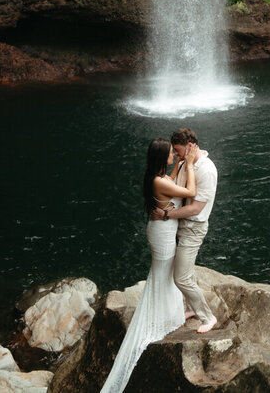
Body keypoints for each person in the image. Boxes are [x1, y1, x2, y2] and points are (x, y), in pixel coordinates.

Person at [100, 138, 197, 393]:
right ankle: (164, 320)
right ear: (161, 156)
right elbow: (189, 193)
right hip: (163, 235)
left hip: (161, 230)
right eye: (170, 153)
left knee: (166, 275)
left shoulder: (156, 176)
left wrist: (180, 164)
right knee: (163, 275)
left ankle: (174, 315)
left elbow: (172, 180)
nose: (172, 155)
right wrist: (191, 164)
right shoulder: (158, 181)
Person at [152, 127, 218, 334]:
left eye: (178, 151)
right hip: (179, 225)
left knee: (180, 277)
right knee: (184, 271)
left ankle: (208, 317)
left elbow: (196, 207)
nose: (175, 155)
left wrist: (166, 215)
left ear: (190, 146)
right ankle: (192, 308)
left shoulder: (206, 169)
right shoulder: (184, 163)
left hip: (193, 227)